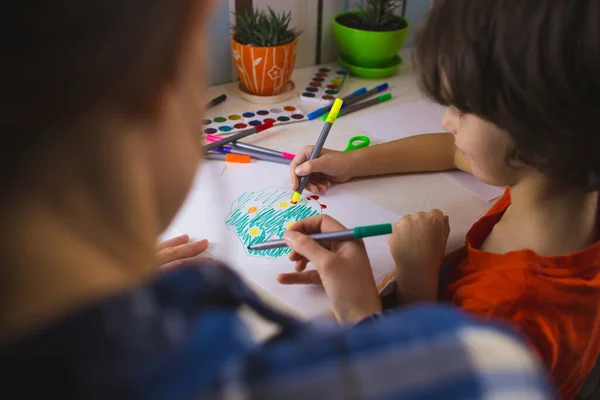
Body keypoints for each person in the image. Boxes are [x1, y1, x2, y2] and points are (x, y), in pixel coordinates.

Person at [0, 0, 554, 399]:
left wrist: (378, 297)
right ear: (162, 73)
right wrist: (370, 313)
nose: (445, 120)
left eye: (460, 108)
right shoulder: (487, 368)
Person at [284, 0, 600, 398]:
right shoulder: (562, 182)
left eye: (460, 109)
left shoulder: (509, 310)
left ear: (541, 135)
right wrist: (352, 163)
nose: (445, 121)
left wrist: (392, 292)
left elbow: (419, 385)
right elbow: (453, 151)